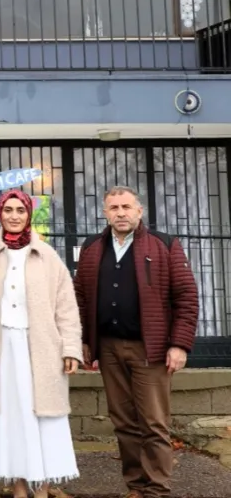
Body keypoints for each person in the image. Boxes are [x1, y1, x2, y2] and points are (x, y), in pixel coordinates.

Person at [73, 186, 199, 498]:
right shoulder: (92, 247)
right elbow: (80, 298)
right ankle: (136, 486)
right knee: (123, 422)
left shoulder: (164, 244)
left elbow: (186, 297)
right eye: (114, 207)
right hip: (108, 348)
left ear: (139, 211)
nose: (121, 213)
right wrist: (84, 341)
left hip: (150, 349)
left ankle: (157, 489)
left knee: (154, 423)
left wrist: (179, 345)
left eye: (126, 207)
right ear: (105, 213)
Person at [0, 189, 82, 498]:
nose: (14, 216)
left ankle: (41, 488)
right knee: (10, 418)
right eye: (8, 210)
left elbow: (66, 307)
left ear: (28, 215)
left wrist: (71, 348)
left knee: (41, 416)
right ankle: (17, 486)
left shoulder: (47, 256)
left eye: (20, 210)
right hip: (0, 350)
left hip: (41, 350)